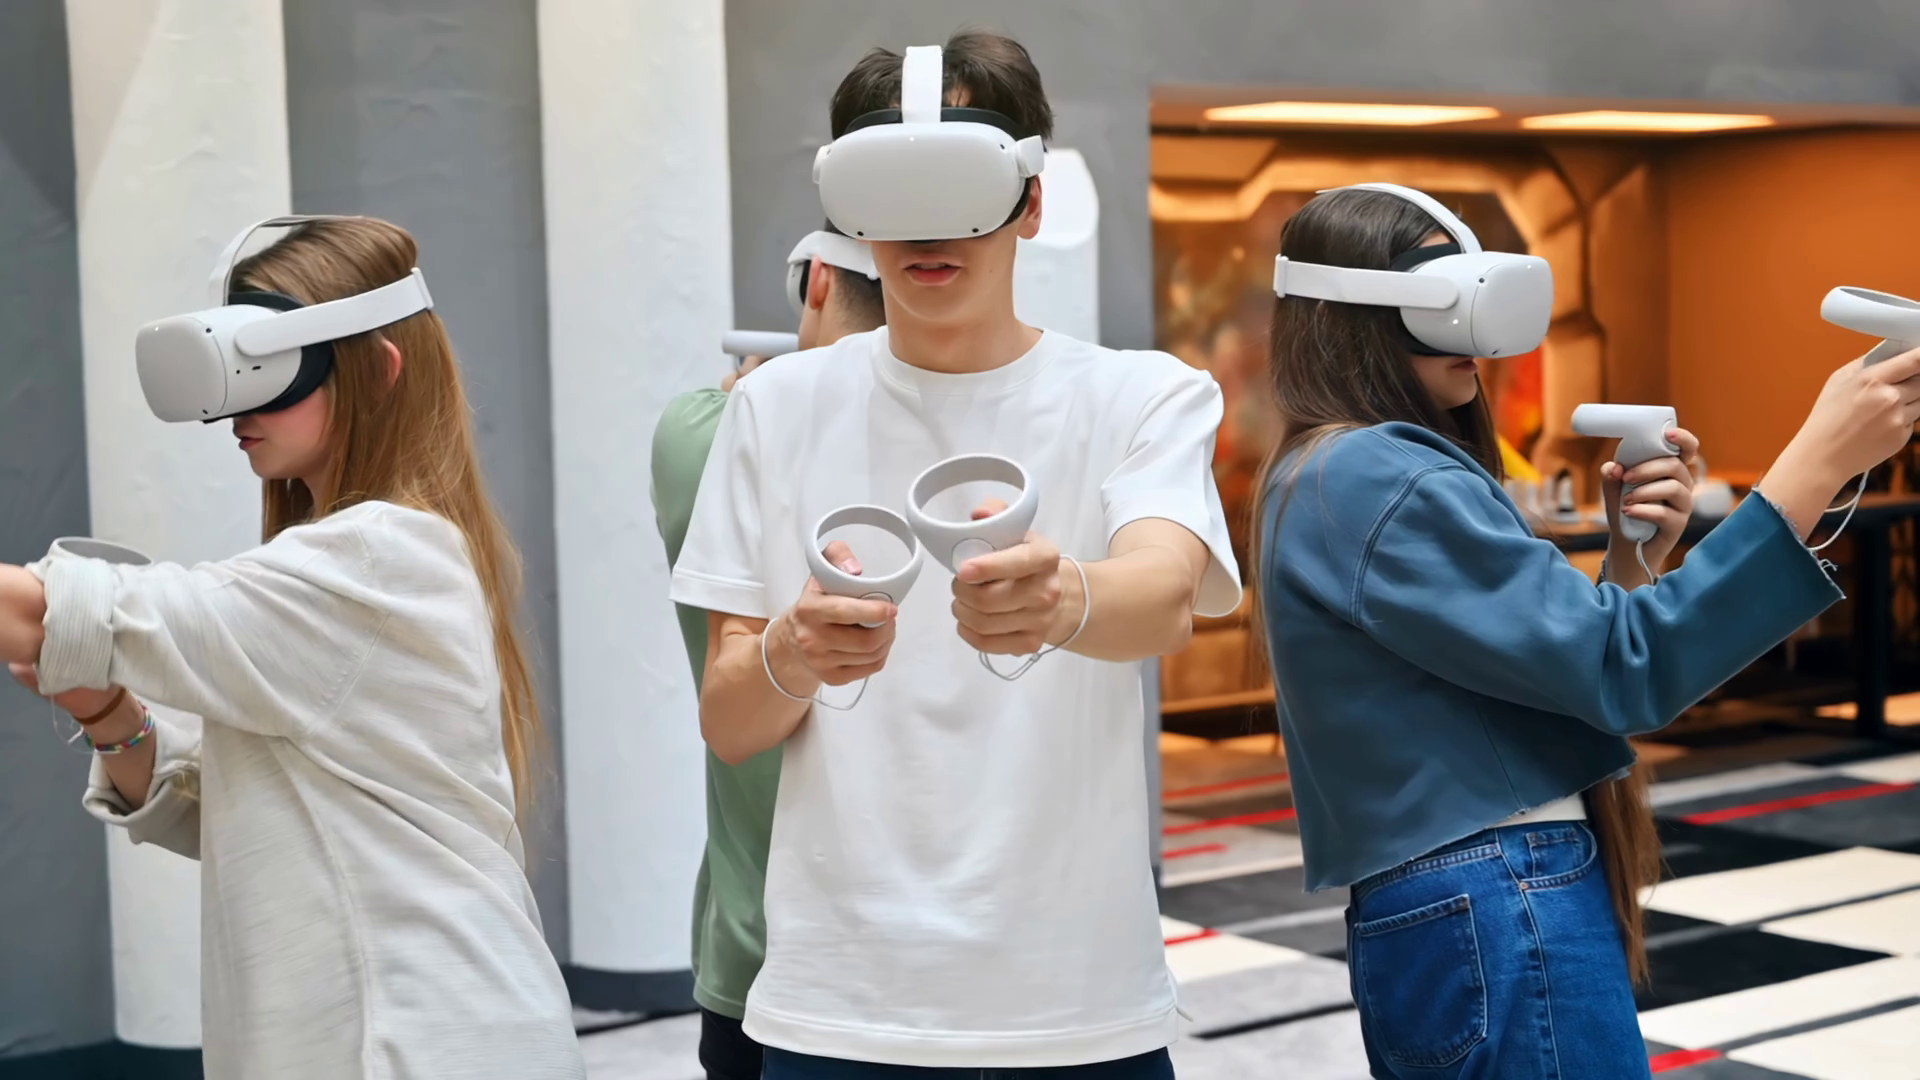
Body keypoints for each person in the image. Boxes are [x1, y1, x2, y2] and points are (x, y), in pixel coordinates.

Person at [669, 31, 1240, 1078]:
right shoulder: (774, 409)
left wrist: (1065, 597)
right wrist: (792, 654)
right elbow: (730, 723)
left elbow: (1165, 595)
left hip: (1077, 1008)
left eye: (962, 186)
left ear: (1030, 201)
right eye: (893, 189)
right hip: (840, 1007)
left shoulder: (1141, 394)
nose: (929, 231)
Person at [1252, 186, 1920, 1078]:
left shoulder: (1330, 470)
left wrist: (1632, 562)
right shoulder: (1373, 470)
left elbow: (1562, 673)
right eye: (1442, 291)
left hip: (1457, 901)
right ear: (1352, 313)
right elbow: (1626, 671)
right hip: (1493, 891)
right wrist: (1819, 462)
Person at [0, 217, 584, 1079]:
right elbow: (228, 810)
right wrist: (107, 709)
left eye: (272, 371)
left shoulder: (380, 557)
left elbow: (86, 611)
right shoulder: (359, 556)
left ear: (377, 371)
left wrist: (63, 623)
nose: (241, 408)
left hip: (416, 1044)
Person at [651, 226, 886, 1080]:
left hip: (759, 950)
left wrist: (756, 391)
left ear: (817, 278)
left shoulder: (703, 431)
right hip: (933, 959)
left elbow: (716, 418)